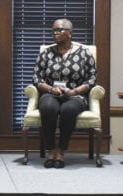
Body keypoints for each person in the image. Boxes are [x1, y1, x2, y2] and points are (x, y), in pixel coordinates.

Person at [33, 19, 97, 168]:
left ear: (70, 33)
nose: (55, 33)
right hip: (51, 93)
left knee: (68, 110)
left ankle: (61, 149)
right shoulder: (47, 53)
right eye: (54, 30)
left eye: (59, 30)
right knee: (48, 107)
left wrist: (74, 91)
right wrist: (50, 89)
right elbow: (37, 76)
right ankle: (51, 149)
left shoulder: (84, 53)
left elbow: (92, 78)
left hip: (75, 94)